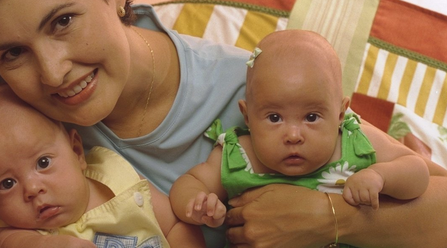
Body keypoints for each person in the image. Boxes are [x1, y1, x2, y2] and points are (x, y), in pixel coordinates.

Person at [0, 0, 447, 247]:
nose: (54, 72)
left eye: (64, 20)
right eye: (12, 53)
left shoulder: (258, 91)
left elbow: (438, 196)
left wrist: (330, 218)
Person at [169, 30, 431, 246]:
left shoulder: (353, 142)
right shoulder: (240, 154)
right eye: (274, 118)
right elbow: (190, 182)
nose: (293, 136)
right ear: (247, 117)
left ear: (340, 114)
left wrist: (380, 177)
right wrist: (197, 204)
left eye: (311, 117)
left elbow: (417, 170)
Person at [0, 84, 205, 248]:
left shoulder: (116, 175)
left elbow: (174, 226)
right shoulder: (11, 228)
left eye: (43, 163)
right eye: (7, 184)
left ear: (77, 151)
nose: (32, 189)